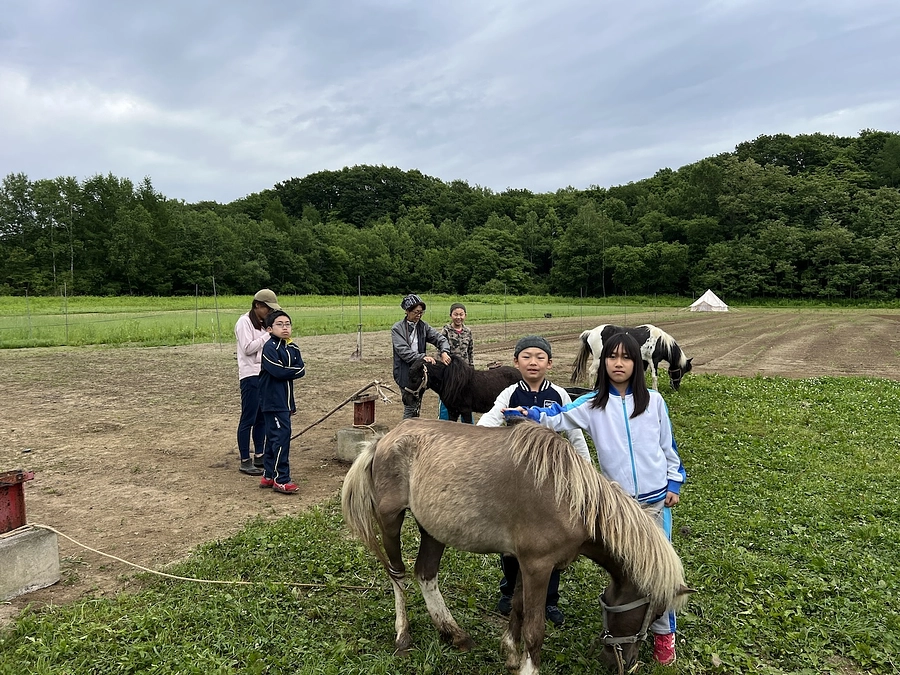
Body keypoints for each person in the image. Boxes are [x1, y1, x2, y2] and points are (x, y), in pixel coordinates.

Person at [505, 331, 685, 666]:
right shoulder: (591, 405)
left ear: (637, 364)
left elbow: (668, 447)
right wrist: (529, 415)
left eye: (626, 357)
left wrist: (674, 482)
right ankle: (623, 626)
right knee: (629, 573)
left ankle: (664, 635)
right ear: (603, 364)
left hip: (656, 503)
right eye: (612, 357)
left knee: (659, 576)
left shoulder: (655, 403)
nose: (619, 363)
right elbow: (557, 416)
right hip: (618, 508)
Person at [477, 335, 591, 628]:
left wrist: (587, 472)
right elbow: (485, 424)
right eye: (526, 356)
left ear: (549, 363)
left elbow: (575, 434)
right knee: (512, 540)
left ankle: (549, 601)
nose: (533, 362)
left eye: (540, 357)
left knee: (549, 541)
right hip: (514, 478)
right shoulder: (509, 394)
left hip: (551, 480)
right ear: (516, 362)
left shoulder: (560, 396)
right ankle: (508, 590)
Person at [258, 309, 306, 494]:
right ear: (270, 329)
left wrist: (291, 404)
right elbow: (278, 371)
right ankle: (281, 479)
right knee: (281, 438)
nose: (285, 327)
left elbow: (302, 369)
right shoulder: (270, 347)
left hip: (285, 402)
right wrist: (290, 370)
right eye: (280, 324)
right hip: (272, 402)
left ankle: (269, 475)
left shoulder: (292, 347)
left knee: (273, 438)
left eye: (287, 324)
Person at [234, 289, 280, 476]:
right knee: (249, 417)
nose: (270, 312)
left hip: (263, 374)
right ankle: (245, 459)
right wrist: (267, 335)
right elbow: (247, 349)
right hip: (249, 376)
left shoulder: (263, 325)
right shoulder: (244, 322)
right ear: (257, 306)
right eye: (268, 308)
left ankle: (259, 455)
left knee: (262, 417)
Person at [391, 294, 451, 419]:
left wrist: (444, 351)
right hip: (404, 371)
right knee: (410, 404)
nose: (419, 315)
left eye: (421, 312)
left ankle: (413, 430)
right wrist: (422, 357)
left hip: (419, 372)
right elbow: (403, 351)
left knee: (417, 403)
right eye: (416, 312)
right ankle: (405, 431)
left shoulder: (423, 326)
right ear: (407, 311)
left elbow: (439, 338)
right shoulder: (397, 329)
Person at [439, 302, 474, 422]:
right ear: (451, 315)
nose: (458, 317)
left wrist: (471, 368)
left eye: (461, 314)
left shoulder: (468, 331)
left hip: (464, 372)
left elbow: (470, 351)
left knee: (466, 399)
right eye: (455, 314)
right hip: (449, 372)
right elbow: (440, 349)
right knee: (447, 399)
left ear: (465, 315)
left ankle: (468, 425)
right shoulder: (446, 331)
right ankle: (444, 424)